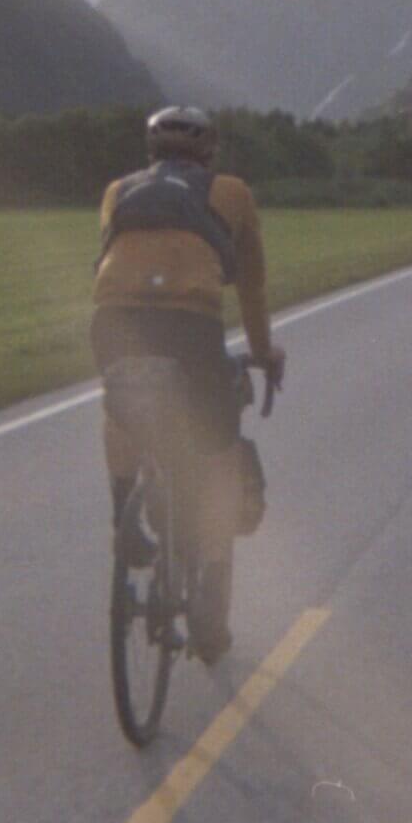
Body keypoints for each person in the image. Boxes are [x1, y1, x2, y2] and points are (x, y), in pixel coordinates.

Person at [91, 105, 283, 664]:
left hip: (113, 317)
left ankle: (123, 515)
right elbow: (251, 286)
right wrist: (263, 352)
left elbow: (108, 257)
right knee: (219, 452)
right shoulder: (232, 192)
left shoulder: (118, 191)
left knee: (121, 404)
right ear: (210, 153)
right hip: (190, 325)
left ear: (151, 152)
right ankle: (210, 595)